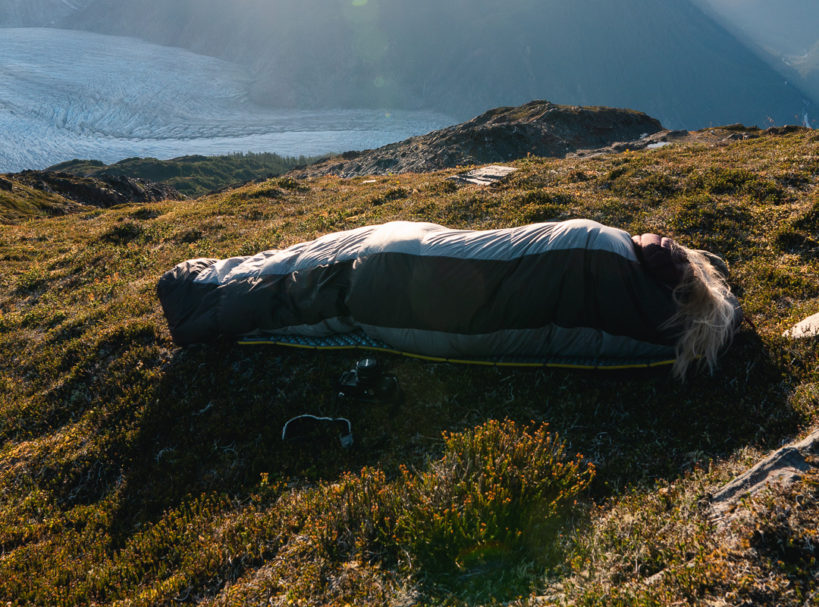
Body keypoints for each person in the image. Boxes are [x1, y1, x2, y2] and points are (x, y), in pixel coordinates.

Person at [158, 218, 741, 377]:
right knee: (314, 303)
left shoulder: (601, 250)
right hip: (430, 319)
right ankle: (205, 302)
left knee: (308, 276)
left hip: (408, 264)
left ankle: (195, 293)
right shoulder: (653, 344)